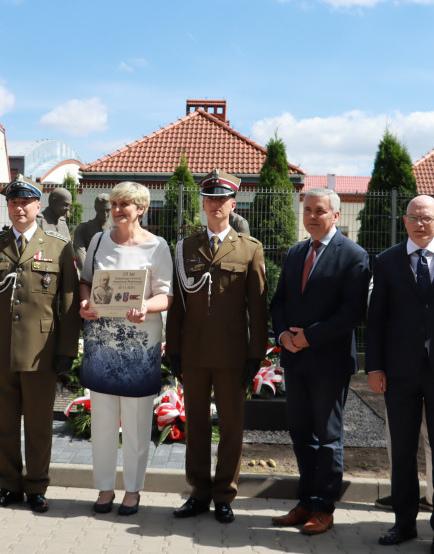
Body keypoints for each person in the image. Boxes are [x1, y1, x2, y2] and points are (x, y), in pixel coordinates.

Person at [366, 195, 434, 554]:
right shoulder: (386, 261)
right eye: (413, 217)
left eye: (426, 218)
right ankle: (403, 522)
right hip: (400, 372)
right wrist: (375, 366)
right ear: (404, 220)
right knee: (402, 449)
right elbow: (376, 319)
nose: (419, 223)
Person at [0, 174, 80, 514]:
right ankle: (8, 486)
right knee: (2, 423)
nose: (19, 208)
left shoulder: (59, 247)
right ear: (9, 206)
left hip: (41, 352)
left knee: (38, 425)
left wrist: (66, 351)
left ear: (37, 206)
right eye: (13, 202)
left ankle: (36, 487)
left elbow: (70, 304)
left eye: (26, 202)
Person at [166, 170, 267, 524]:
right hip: (193, 354)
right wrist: (173, 350)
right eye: (209, 199)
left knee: (231, 426)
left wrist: (256, 355)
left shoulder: (250, 249)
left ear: (232, 204)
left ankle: (225, 494)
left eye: (221, 199)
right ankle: (199, 493)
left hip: (232, 354)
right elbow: (178, 303)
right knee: (195, 425)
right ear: (203, 204)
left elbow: (258, 308)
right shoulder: (185, 247)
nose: (214, 205)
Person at [269, 188, 370, 535]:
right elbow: (279, 302)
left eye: (320, 211)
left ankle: (324, 508)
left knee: (328, 437)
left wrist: (309, 336)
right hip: (295, 360)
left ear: (336, 215)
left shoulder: (353, 255)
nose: (312, 216)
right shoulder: (297, 252)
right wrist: (283, 336)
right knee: (300, 433)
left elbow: (352, 312)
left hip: (328, 360)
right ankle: (305, 501)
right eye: (308, 210)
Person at [78, 181, 173, 516]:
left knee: (135, 423)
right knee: (103, 421)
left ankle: (132, 491)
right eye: (115, 204)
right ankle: (105, 489)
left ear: (141, 209)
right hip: (102, 343)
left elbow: (166, 294)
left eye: (126, 205)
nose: (118, 210)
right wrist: (85, 301)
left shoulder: (157, 246)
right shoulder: (99, 240)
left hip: (139, 345)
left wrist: (147, 307)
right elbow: (86, 280)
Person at [73, 193, 112, 268]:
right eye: (101, 210)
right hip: (90, 270)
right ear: (95, 208)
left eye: (107, 210)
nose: (105, 214)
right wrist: (87, 272)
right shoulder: (83, 228)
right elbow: (80, 250)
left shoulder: (116, 229)